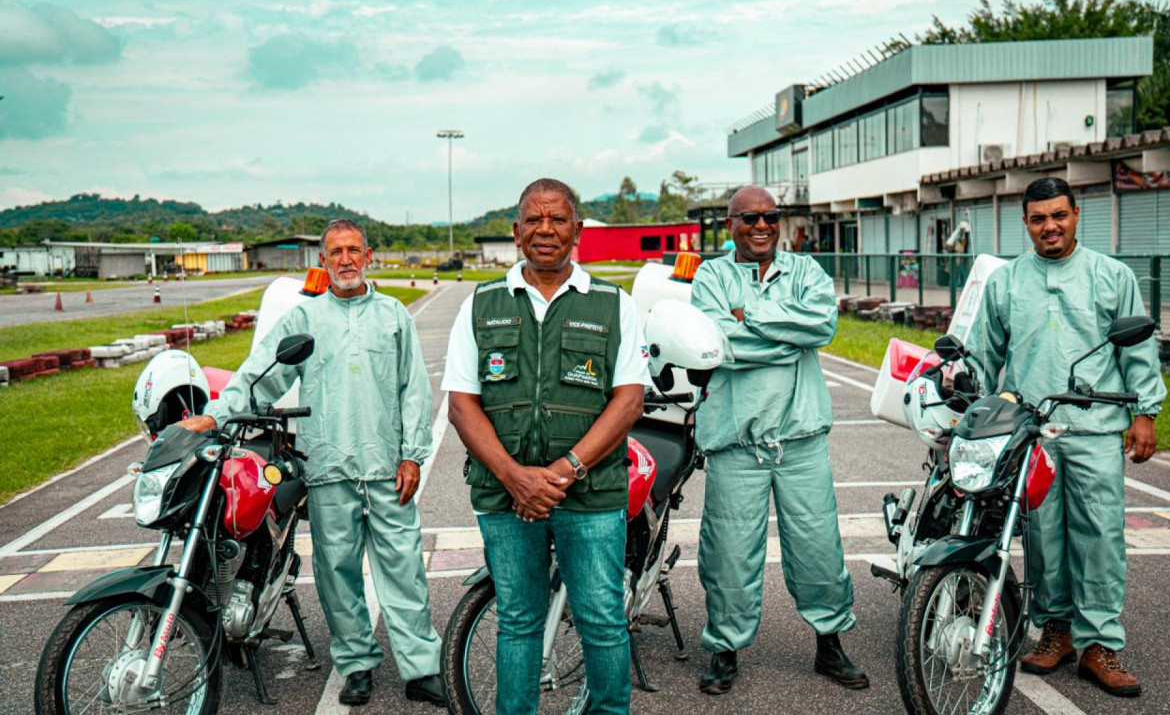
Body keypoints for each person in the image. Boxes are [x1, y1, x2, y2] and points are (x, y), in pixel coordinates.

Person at [177, 219, 444, 708]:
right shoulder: (304, 319)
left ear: (369, 257)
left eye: (354, 250)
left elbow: (414, 390)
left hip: (386, 469)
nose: (345, 259)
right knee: (336, 574)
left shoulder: (392, 316)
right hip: (328, 470)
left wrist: (412, 456)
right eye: (335, 252)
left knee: (404, 570)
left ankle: (423, 669)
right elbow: (259, 374)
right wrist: (214, 416)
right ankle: (357, 664)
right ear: (323, 261)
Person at [442, 178, 648, 715]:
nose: (546, 230)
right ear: (516, 231)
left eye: (558, 219)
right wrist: (515, 476)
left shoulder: (613, 304)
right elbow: (462, 404)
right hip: (505, 497)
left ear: (577, 230)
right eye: (533, 219)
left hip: (591, 496)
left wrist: (563, 470)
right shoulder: (481, 305)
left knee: (602, 618)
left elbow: (628, 402)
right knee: (518, 619)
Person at [966, 177, 1166, 698]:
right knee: (1042, 536)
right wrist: (972, 417)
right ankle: (1056, 630)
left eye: (1059, 215)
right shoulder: (1005, 283)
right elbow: (986, 358)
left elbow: (1138, 350)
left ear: (1078, 214)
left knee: (1100, 536)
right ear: (1025, 223)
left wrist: (1145, 413)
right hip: (1033, 432)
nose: (1050, 226)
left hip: (1096, 429)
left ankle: (1100, 642)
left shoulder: (1112, 276)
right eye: (1038, 218)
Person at [690, 186, 867, 695]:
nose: (762, 225)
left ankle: (830, 645)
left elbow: (822, 324)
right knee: (727, 555)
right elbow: (720, 343)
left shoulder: (807, 272)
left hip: (800, 440)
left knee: (819, 552)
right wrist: (787, 340)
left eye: (770, 216)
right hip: (736, 444)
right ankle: (724, 649)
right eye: (749, 218)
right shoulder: (711, 277)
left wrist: (754, 319)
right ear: (731, 225)